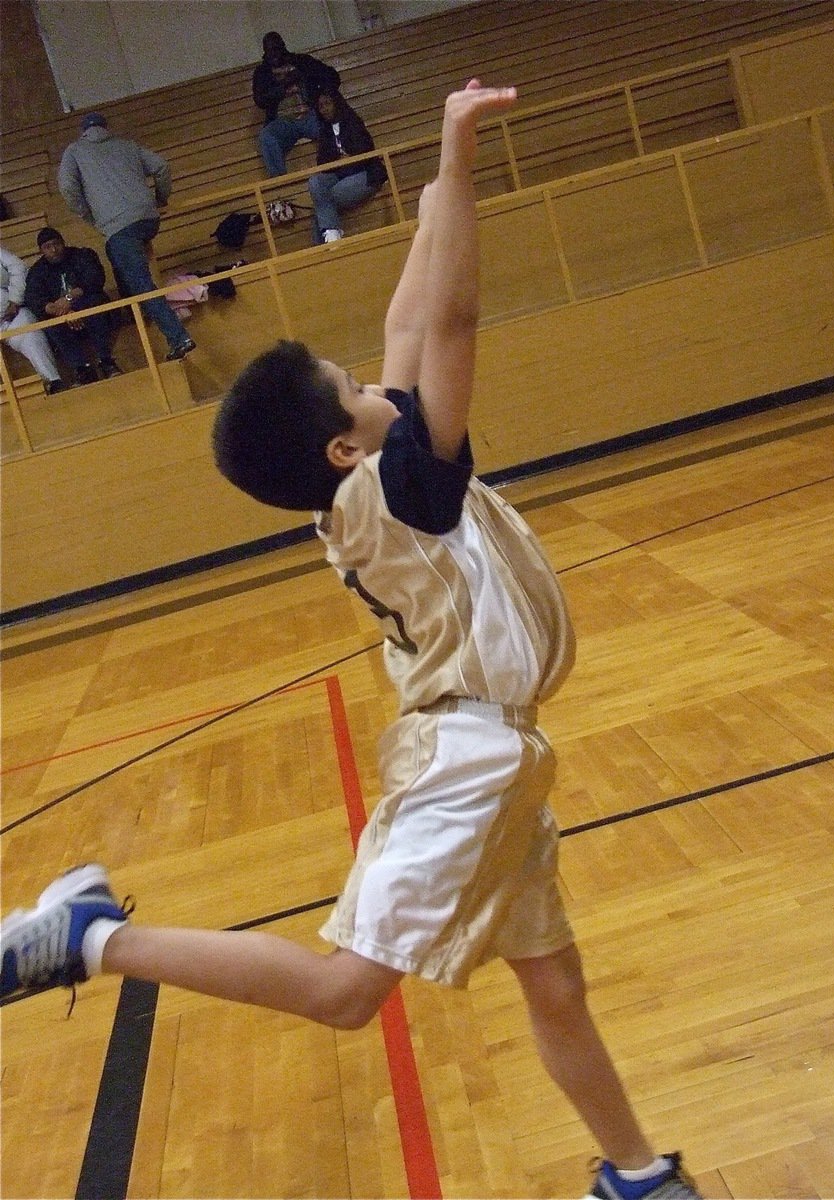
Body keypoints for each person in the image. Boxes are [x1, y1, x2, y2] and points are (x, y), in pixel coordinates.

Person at [0, 82, 701, 1200]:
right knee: (344, 994)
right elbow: (451, 326)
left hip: (499, 759)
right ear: (340, 446)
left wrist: (432, 203)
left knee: (554, 986)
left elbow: (407, 325)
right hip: (467, 760)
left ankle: (634, 1175)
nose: (376, 380)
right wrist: (459, 168)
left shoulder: (378, 479)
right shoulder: (406, 490)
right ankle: (90, 938)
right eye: (353, 390)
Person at [57, 112, 195, 361]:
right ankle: (135, 312)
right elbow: (161, 166)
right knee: (119, 258)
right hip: (148, 220)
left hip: (119, 227)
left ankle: (178, 337)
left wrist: (89, 216)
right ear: (105, 128)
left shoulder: (75, 151)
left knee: (142, 285)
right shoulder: (127, 145)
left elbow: (67, 187)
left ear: (83, 131)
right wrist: (160, 199)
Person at [24, 227, 121, 383]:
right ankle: (82, 369)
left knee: (96, 304)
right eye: (47, 247)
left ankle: (106, 361)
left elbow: (95, 280)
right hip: (61, 317)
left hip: (88, 307)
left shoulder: (82, 255)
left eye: (56, 244)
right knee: (48, 323)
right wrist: (61, 311)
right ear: (41, 250)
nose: (54, 250)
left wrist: (70, 299)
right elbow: (34, 299)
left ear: (63, 242)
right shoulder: (37, 271)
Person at [253, 31, 341, 177]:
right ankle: (280, 181)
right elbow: (260, 100)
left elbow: (332, 76)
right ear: (265, 52)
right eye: (270, 51)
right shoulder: (263, 72)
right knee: (266, 136)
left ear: (283, 47)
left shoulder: (302, 62)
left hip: (310, 113)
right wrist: (283, 86)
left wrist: (321, 93)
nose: (274, 54)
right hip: (283, 122)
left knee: (331, 123)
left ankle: (335, 169)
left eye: (276, 48)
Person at [308, 90, 388, 244]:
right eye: (320, 106)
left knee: (324, 201)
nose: (324, 109)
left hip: (366, 173)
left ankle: (328, 243)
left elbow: (365, 152)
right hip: (341, 174)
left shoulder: (352, 121)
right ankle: (331, 238)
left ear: (336, 103)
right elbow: (323, 163)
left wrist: (347, 158)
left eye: (327, 104)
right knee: (315, 183)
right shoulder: (324, 130)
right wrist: (342, 159)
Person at [0, 246, 65, 394]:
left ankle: (53, 382)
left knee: (30, 333)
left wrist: (14, 300)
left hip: (10, 315)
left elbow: (18, 268)